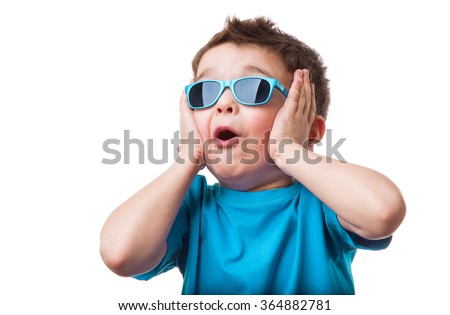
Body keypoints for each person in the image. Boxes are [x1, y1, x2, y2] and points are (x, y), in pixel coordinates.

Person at [99, 16, 406, 294]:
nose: (223, 104)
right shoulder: (190, 204)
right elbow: (120, 254)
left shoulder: (322, 200)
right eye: (205, 92)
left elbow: (382, 212)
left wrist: (289, 152)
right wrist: (186, 160)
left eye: (254, 88)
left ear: (308, 128)